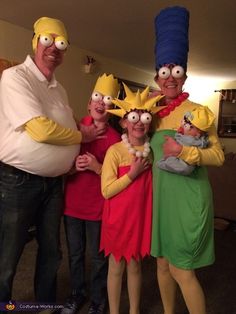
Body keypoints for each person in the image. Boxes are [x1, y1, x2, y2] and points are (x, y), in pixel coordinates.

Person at [0, 17, 105, 303]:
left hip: (54, 184)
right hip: (17, 181)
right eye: (48, 41)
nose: (54, 49)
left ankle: (45, 304)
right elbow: (40, 129)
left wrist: (69, 162)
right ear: (35, 42)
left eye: (61, 44)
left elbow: (65, 126)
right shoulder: (15, 77)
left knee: (50, 251)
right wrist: (82, 136)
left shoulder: (60, 89)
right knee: (8, 253)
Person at [150, 6, 225, 314]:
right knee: (163, 265)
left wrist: (184, 151)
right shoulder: (151, 113)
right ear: (157, 77)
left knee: (183, 271)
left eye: (176, 71)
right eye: (164, 72)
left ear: (184, 75)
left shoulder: (199, 112)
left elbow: (218, 156)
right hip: (162, 202)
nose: (170, 78)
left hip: (189, 200)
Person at [100, 84, 163, 314]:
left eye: (144, 117)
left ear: (149, 122)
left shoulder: (152, 151)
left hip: (139, 219)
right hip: (117, 220)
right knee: (116, 267)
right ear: (123, 122)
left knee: (136, 266)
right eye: (133, 117)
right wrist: (131, 175)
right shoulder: (115, 151)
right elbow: (106, 190)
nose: (139, 122)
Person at [61, 73, 121, 314]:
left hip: (98, 209)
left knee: (97, 258)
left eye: (106, 101)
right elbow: (59, 164)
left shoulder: (116, 140)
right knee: (75, 254)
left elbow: (117, 180)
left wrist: (98, 168)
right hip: (72, 207)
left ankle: (97, 299)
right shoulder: (74, 129)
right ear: (89, 104)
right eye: (97, 98)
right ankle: (77, 293)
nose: (100, 103)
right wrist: (72, 168)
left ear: (111, 109)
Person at [157, 106, 215, 175]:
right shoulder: (185, 135)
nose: (184, 125)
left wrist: (203, 142)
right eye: (185, 121)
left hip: (186, 161)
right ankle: (164, 162)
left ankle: (163, 163)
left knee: (186, 169)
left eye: (189, 125)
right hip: (176, 156)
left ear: (197, 134)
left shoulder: (192, 140)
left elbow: (202, 144)